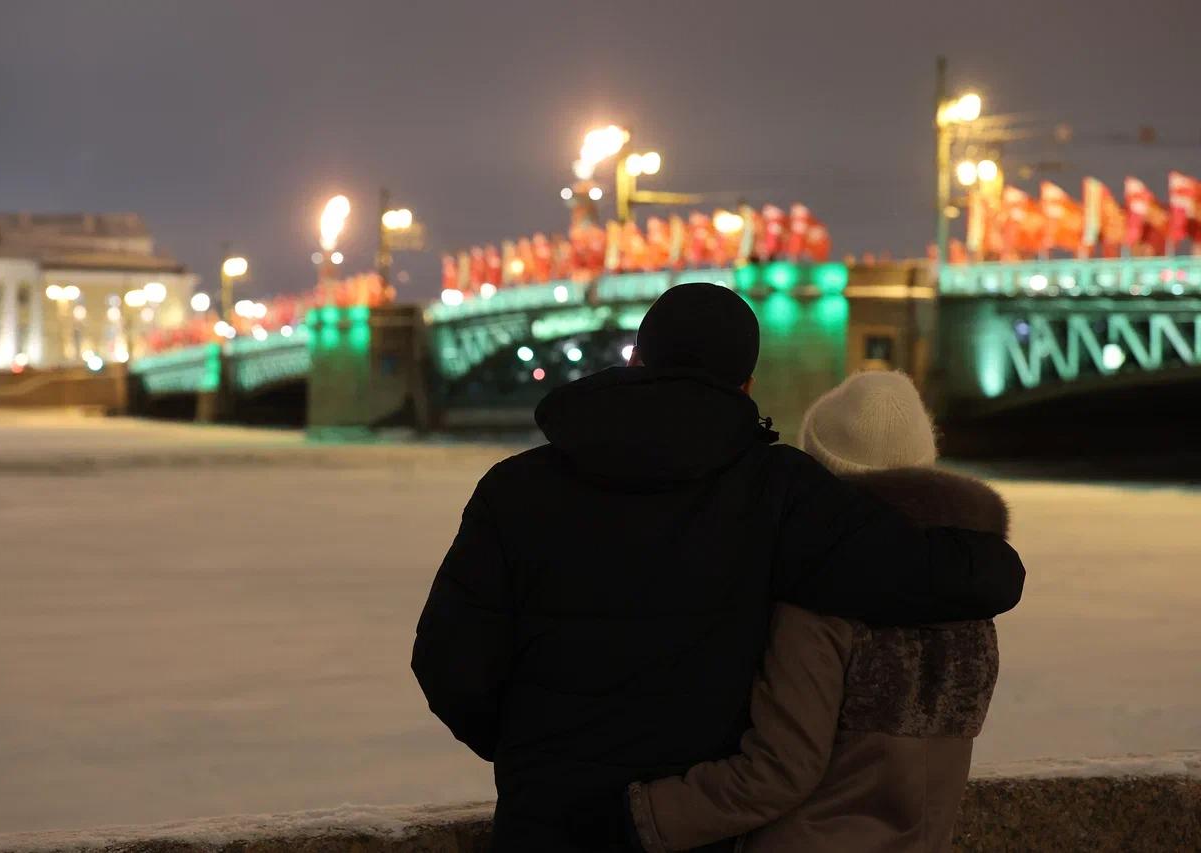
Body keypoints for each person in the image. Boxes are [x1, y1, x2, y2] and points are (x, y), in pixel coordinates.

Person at [411, 283, 1025, 852]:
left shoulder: (513, 489)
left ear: (636, 361)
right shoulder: (780, 490)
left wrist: (534, 755)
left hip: (543, 826)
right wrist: (988, 551)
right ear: (747, 386)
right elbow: (929, 575)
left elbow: (448, 663)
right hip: (690, 832)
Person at [627, 371, 1008, 853]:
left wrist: (649, 815)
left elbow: (780, 771)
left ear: (820, 471)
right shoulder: (968, 597)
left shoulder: (824, 596)